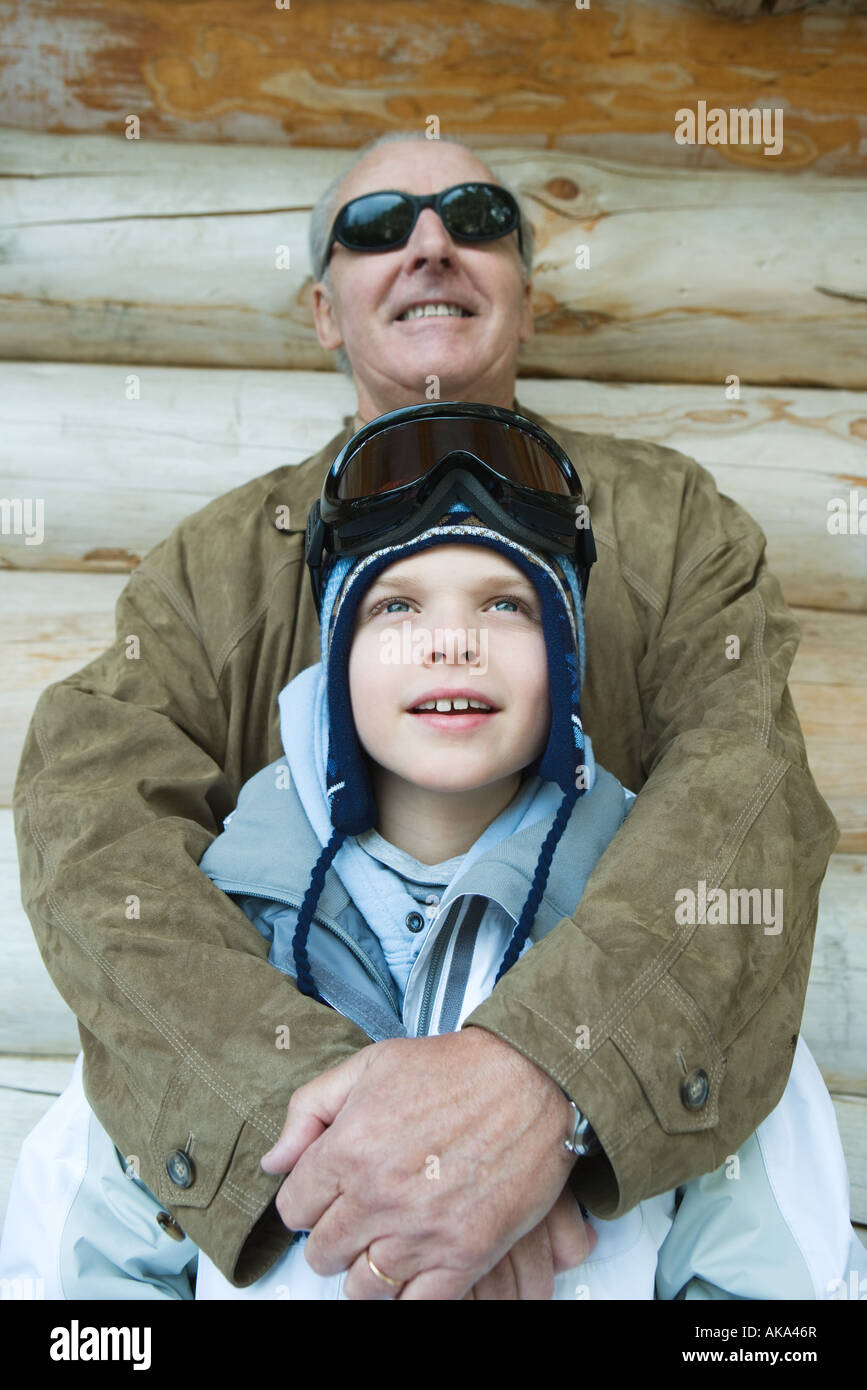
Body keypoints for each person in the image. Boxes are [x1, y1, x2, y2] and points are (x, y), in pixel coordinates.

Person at [9, 133, 842, 1298]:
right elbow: (90, 818)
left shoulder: (673, 523)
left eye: (474, 214)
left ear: (526, 294)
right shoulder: (216, 565)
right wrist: (356, 1141)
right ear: (322, 309)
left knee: (777, 1127)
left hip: (621, 1128)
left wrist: (544, 1084)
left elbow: (744, 793)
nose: (430, 243)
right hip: (290, 1092)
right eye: (376, 226)